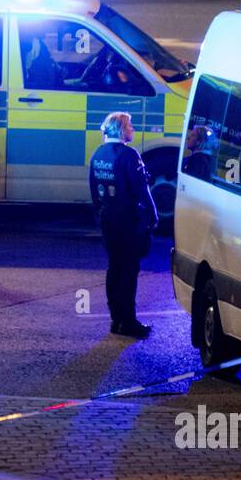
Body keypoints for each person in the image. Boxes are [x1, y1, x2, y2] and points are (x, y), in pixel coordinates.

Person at [89, 111, 157, 339]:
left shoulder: (98, 153)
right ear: (120, 129)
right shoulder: (129, 155)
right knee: (129, 269)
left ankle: (116, 319)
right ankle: (128, 322)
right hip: (127, 219)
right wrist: (153, 214)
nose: (133, 130)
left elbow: (93, 190)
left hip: (107, 218)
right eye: (130, 126)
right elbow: (141, 189)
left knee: (114, 267)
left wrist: (100, 214)